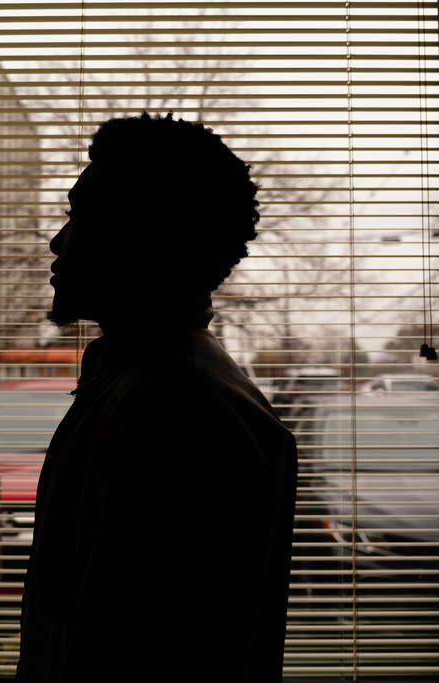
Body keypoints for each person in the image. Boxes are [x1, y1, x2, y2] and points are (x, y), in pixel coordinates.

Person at [15, 113, 297, 683]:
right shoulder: (135, 381)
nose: (56, 241)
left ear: (142, 237)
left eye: (80, 217)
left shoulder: (183, 411)